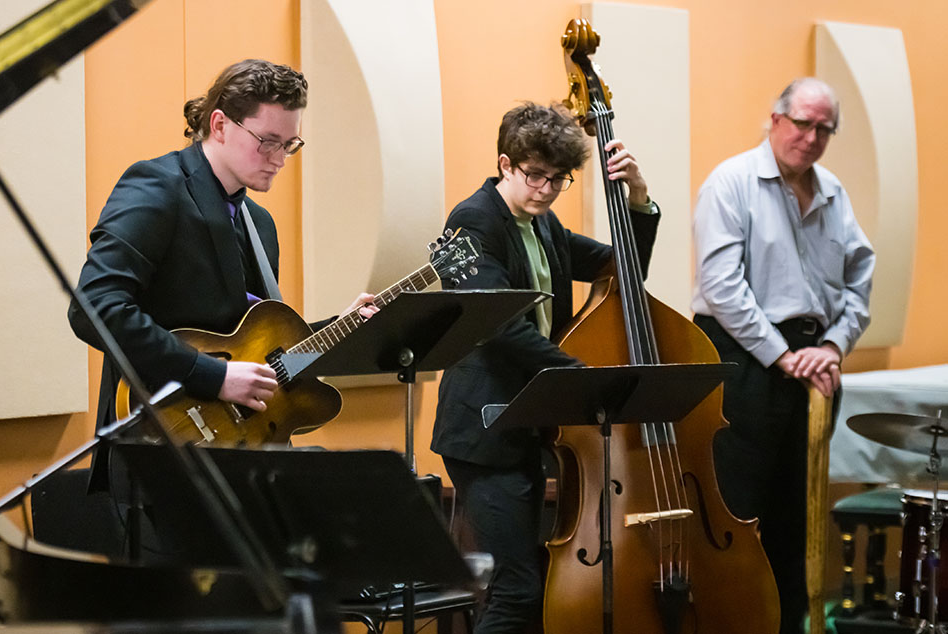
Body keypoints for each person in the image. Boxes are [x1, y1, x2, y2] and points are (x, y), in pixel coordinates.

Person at [67, 59, 375, 551]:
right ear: (219, 125)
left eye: (289, 144)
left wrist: (342, 327)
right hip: (165, 449)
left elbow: (253, 350)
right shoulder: (157, 187)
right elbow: (94, 308)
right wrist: (212, 376)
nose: (278, 157)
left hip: (244, 463)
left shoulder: (260, 224)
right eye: (267, 141)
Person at [431, 102, 660, 634]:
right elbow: (502, 328)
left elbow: (622, 267)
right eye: (536, 176)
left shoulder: (545, 222)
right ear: (506, 164)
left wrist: (640, 202)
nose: (546, 189)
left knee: (530, 586)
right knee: (516, 592)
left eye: (559, 180)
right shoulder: (472, 220)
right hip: (482, 435)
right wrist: (581, 376)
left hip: (527, 424)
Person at [691, 77, 875, 634]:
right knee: (741, 514)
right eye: (802, 122)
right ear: (775, 119)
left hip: (814, 364)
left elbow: (859, 280)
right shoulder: (732, 182)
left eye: (825, 128)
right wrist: (782, 356)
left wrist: (833, 346)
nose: (812, 136)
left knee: (799, 519)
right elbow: (722, 288)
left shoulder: (833, 192)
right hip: (744, 361)